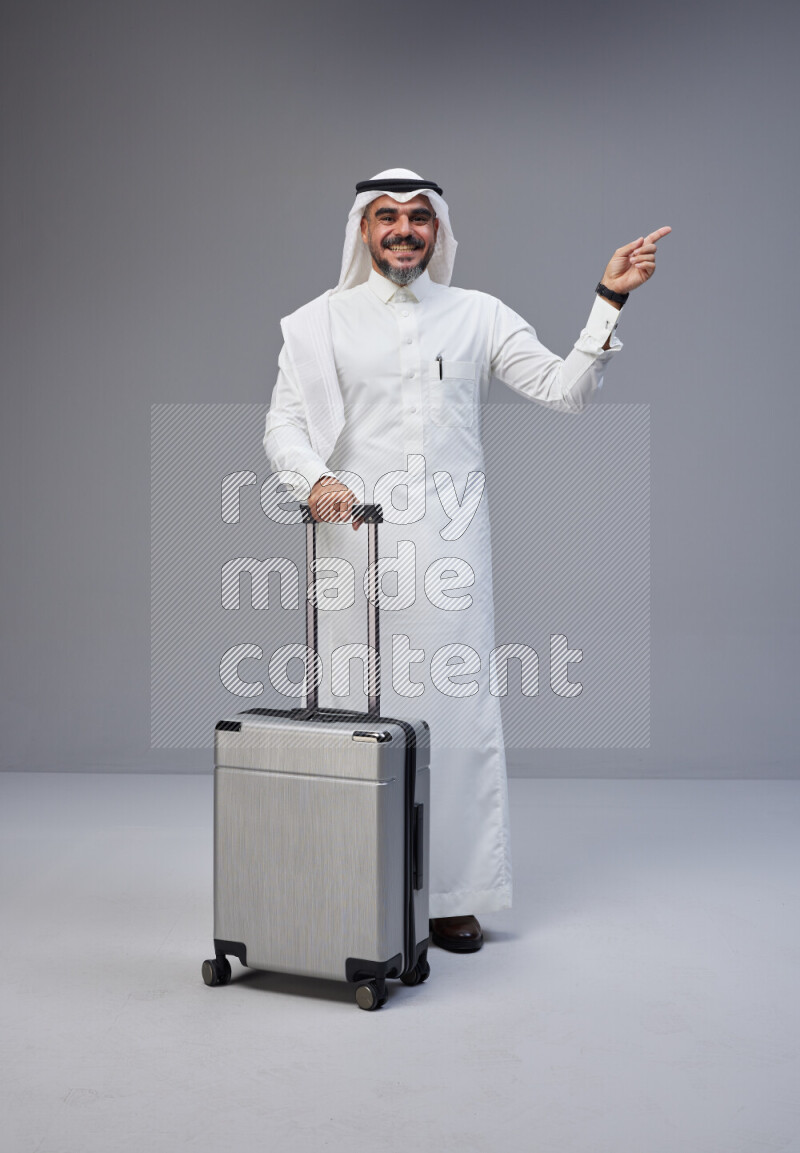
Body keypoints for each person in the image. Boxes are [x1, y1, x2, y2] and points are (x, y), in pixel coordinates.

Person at [263, 168, 669, 953]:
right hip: (354, 547)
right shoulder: (319, 323)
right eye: (387, 217)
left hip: (451, 550)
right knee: (354, 714)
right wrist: (313, 478)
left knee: (453, 717)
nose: (404, 230)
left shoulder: (476, 316)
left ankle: (448, 892)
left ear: (440, 230)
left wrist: (608, 299)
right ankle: (353, 880)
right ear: (362, 230)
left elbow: (563, 389)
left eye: (419, 217)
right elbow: (283, 426)